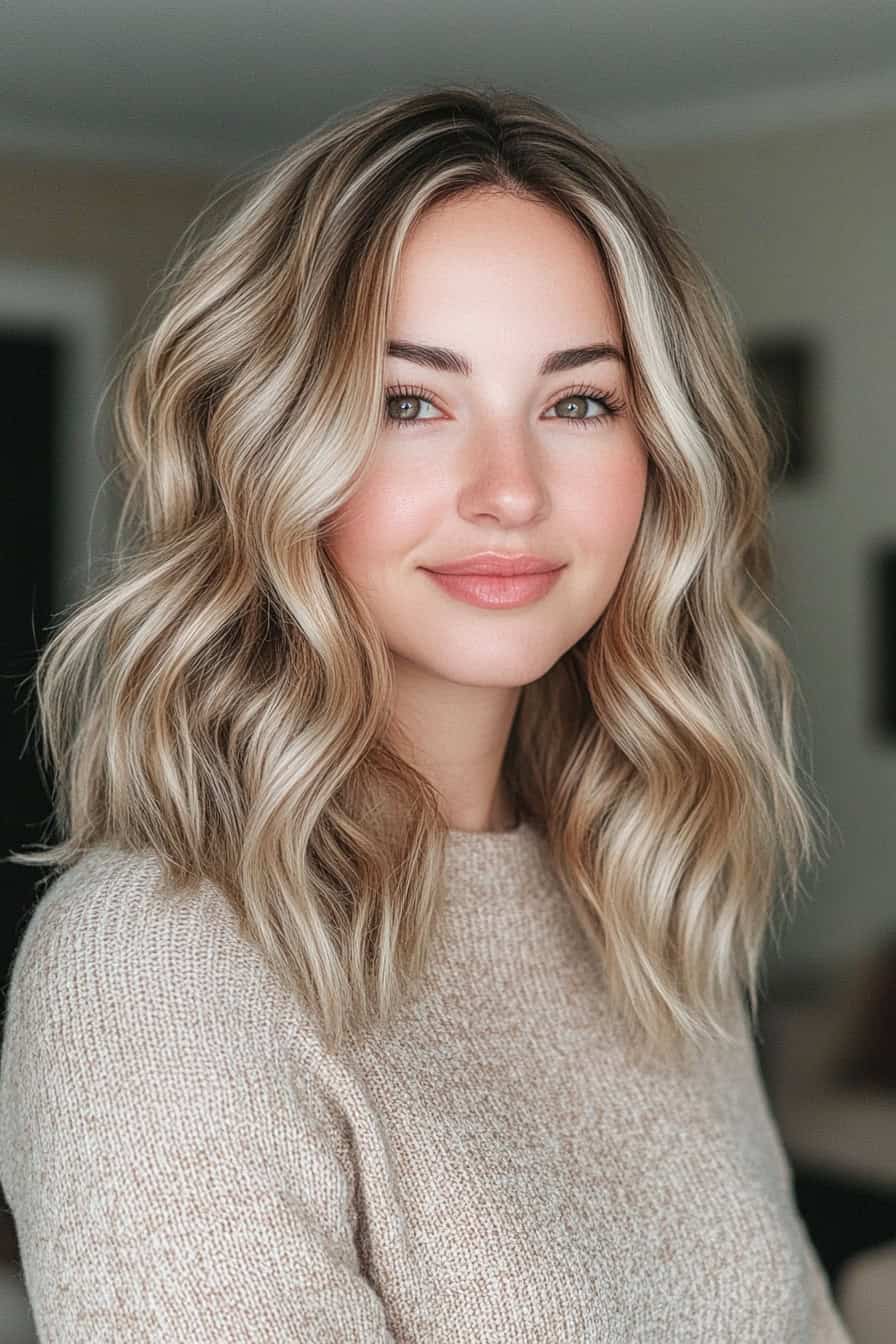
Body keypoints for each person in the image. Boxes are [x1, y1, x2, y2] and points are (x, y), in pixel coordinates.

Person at [0, 83, 853, 1341]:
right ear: (268, 445)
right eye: (409, 402)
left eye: (577, 403)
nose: (505, 490)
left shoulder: (636, 906)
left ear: (656, 457)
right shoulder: (155, 966)